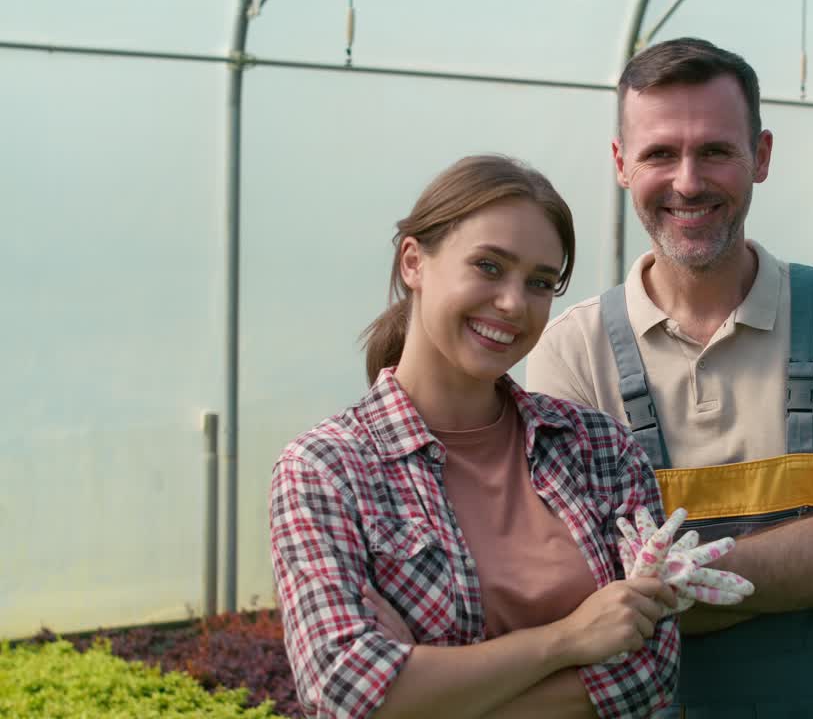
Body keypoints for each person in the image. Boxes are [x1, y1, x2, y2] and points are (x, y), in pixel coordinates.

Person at [526, 38, 813, 717]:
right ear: (622, 165)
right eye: (659, 153)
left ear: (760, 156)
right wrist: (791, 563)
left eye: (714, 150)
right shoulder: (572, 349)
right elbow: (577, 589)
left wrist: (662, 585)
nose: (687, 181)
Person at [269, 155, 680, 719]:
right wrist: (569, 639)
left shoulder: (598, 448)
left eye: (540, 282)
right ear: (413, 261)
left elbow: (650, 671)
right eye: (489, 267)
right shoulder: (326, 469)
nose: (514, 303)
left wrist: (424, 682)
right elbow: (345, 689)